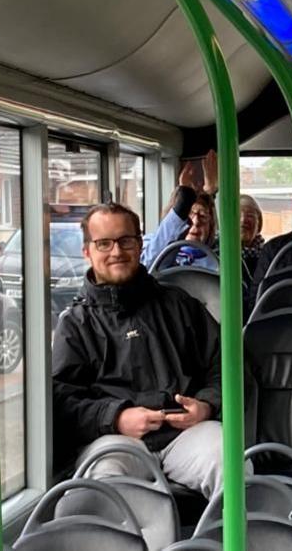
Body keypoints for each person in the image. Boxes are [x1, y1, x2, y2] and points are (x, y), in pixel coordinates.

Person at [52, 202, 227, 499]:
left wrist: (206, 406)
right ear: (87, 252)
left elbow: (225, 366)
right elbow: (63, 400)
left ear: (139, 242)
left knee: (228, 458)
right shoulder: (75, 324)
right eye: (104, 243)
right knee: (104, 483)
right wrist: (115, 417)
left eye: (125, 241)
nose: (117, 252)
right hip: (114, 439)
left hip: (185, 433)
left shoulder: (180, 305)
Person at [141, 151, 219, 271]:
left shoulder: (218, 259)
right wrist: (183, 204)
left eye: (202, 216)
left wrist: (212, 192)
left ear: (211, 225)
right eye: (188, 215)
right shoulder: (150, 244)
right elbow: (146, 267)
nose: (195, 222)